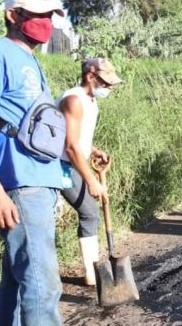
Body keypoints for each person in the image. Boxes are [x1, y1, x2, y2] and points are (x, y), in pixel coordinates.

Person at [0, 0, 66, 324]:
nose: (46, 22)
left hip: (39, 181)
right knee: (43, 286)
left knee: (19, 284)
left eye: (49, 16)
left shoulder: (31, 60)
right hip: (19, 183)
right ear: (13, 15)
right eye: (38, 15)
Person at [58, 57, 122, 286]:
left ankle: (91, 271)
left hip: (73, 162)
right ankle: (91, 273)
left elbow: (76, 137)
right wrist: (91, 181)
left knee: (90, 212)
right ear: (90, 76)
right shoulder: (74, 100)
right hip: (60, 165)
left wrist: (94, 151)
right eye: (105, 82)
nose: (109, 87)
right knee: (90, 212)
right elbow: (70, 146)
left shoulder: (90, 101)